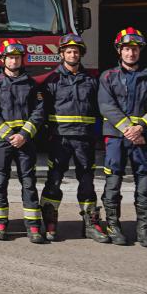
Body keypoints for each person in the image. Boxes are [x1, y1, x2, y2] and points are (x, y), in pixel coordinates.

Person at [98, 27, 147, 248]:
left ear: (140, 51)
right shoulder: (108, 76)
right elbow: (106, 105)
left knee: (144, 183)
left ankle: (144, 229)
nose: (131, 53)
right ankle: (113, 226)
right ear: (119, 51)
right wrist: (130, 128)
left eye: (135, 49)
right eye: (127, 49)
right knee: (113, 182)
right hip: (116, 137)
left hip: (142, 137)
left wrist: (141, 127)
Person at [40, 34, 109, 243]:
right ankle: (50, 222)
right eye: (68, 51)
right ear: (62, 54)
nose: (72, 54)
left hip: (84, 140)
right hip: (59, 139)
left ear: (81, 54)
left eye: (76, 51)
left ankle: (90, 224)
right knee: (54, 181)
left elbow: (100, 109)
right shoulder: (51, 80)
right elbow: (41, 111)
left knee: (87, 182)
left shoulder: (91, 81)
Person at [0, 39, 47, 244]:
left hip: (25, 140)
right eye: (10, 57)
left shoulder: (31, 84)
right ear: (2, 59)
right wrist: (9, 134)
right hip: (2, 140)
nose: (13, 60)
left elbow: (39, 111)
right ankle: (0, 224)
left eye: (17, 57)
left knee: (28, 182)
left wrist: (24, 135)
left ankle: (33, 226)